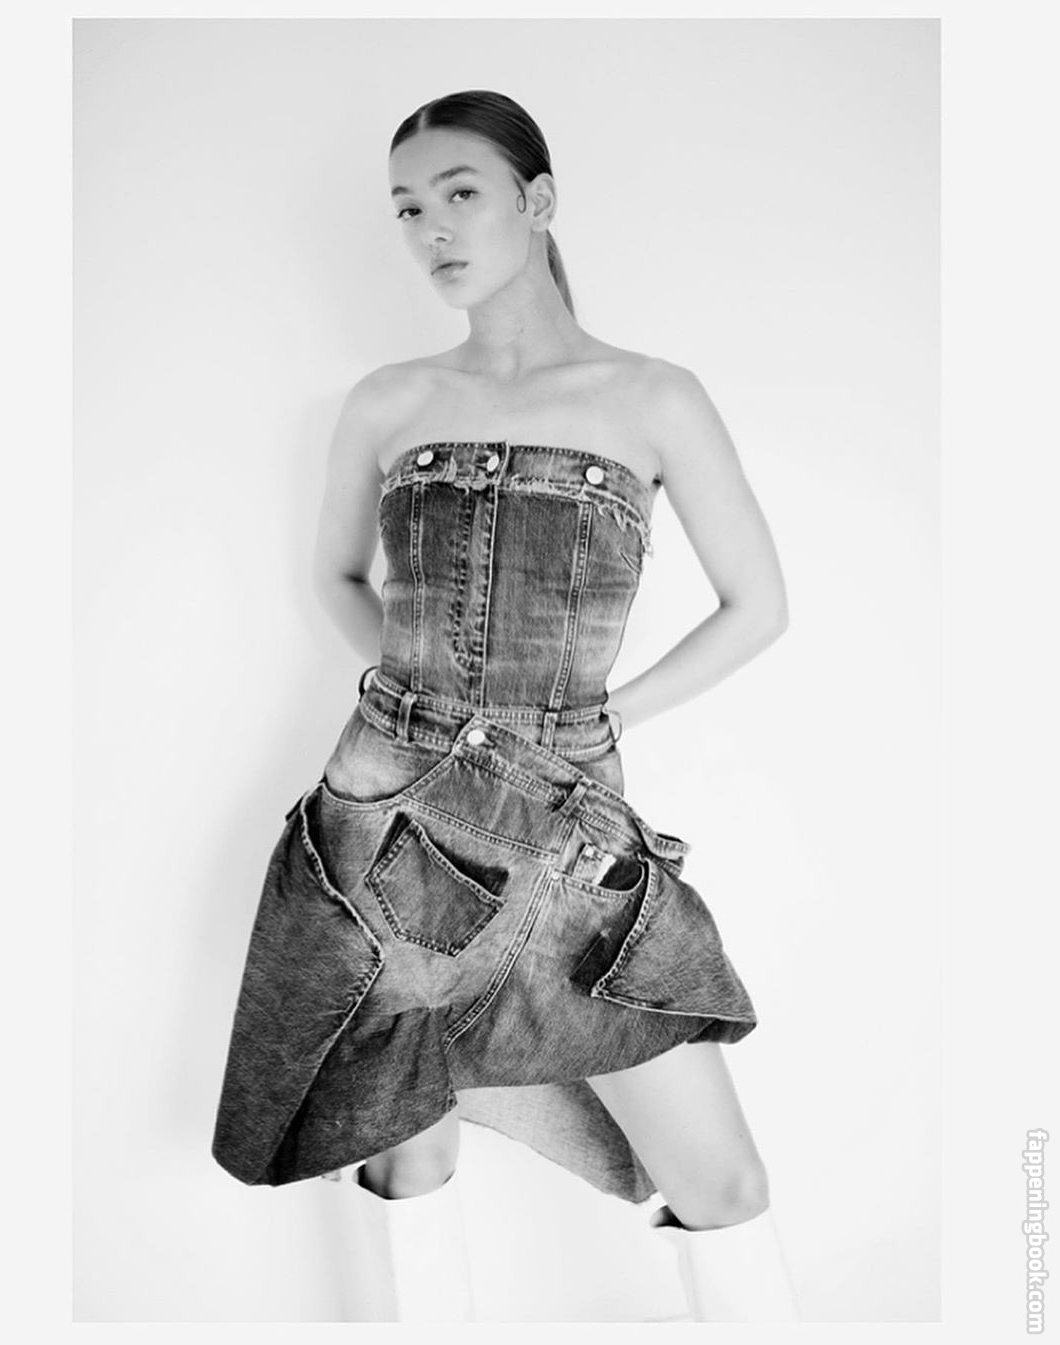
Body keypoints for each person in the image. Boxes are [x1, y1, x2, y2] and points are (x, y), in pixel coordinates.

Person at [211, 89, 799, 1324]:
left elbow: (758, 606)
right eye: (406, 208)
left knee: (723, 1181)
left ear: (538, 200)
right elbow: (335, 577)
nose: (431, 228)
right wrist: (419, 702)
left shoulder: (652, 396)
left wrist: (608, 716)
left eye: (459, 193)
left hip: (566, 825)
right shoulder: (388, 400)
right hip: (387, 811)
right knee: (405, 1149)